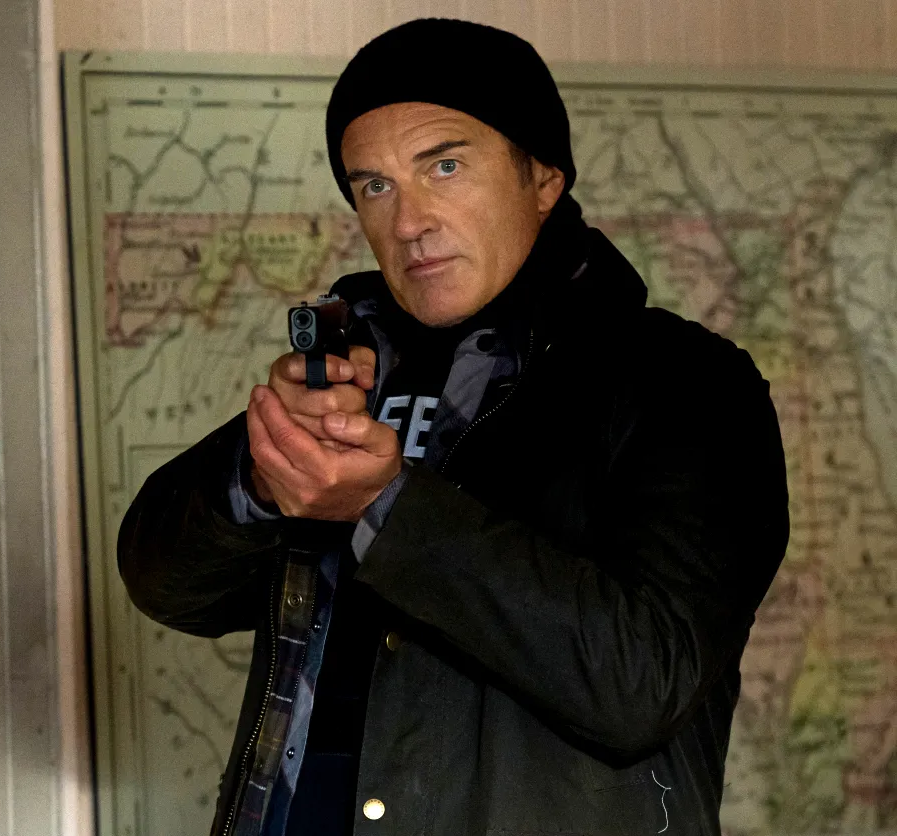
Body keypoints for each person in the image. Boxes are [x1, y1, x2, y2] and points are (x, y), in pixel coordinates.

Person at [119, 18, 789, 836]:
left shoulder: (692, 383)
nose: (409, 221)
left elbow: (643, 682)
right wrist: (263, 472)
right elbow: (167, 588)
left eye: (444, 166)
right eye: (375, 186)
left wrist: (387, 507)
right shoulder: (356, 369)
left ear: (543, 180)